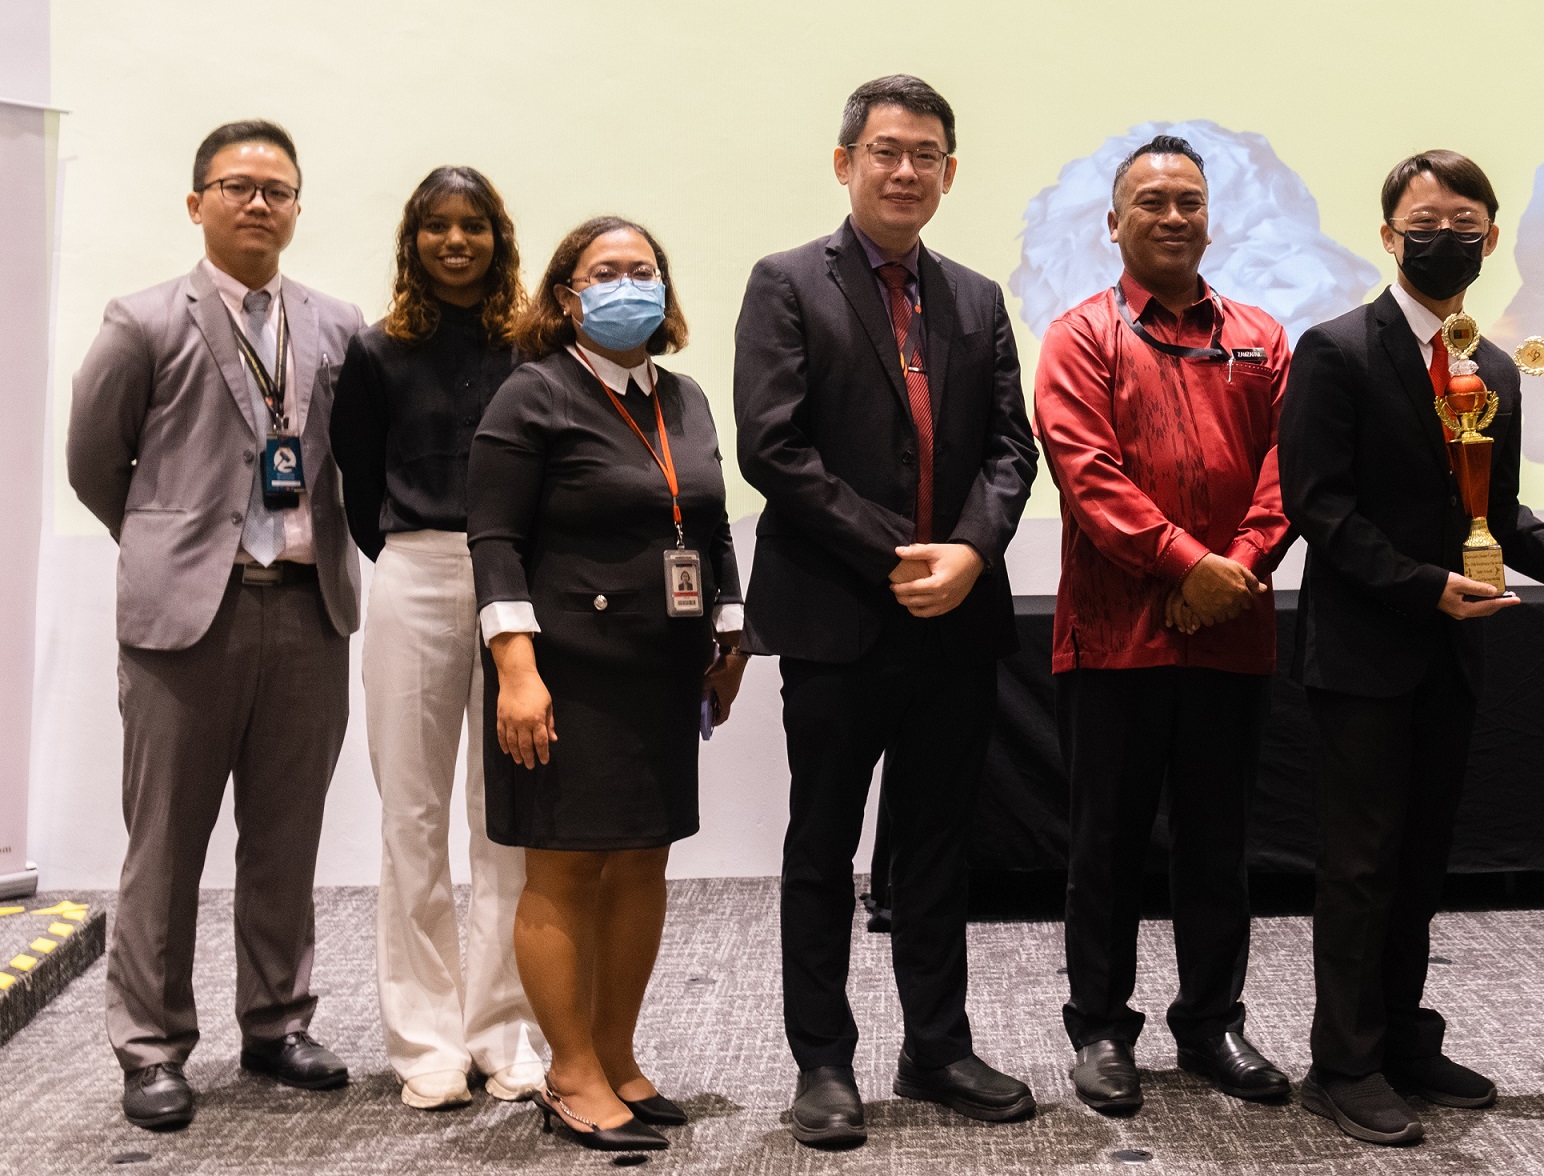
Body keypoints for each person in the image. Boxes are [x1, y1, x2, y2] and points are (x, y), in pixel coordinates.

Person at [1278, 149, 1544, 1147]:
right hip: (1365, 652)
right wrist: (1423, 588)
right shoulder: (1335, 349)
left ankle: (1404, 1036)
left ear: (1492, 237)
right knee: (1360, 865)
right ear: (1386, 235)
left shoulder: (1492, 365)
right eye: (1424, 220)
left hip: (1454, 654)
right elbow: (1320, 509)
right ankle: (1345, 1060)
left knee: (1421, 860)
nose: (1443, 235)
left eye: (1463, 221)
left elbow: (1498, 515)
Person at [734, 74, 1039, 1149]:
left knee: (939, 845)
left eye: (926, 155)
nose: (905, 171)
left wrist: (967, 550)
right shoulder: (786, 284)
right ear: (845, 162)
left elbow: (1012, 448)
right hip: (835, 617)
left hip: (958, 616)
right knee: (822, 845)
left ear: (950, 173)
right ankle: (823, 1062)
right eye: (886, 151)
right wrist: (898, 552)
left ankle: (938, 1046)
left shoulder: (977, 297)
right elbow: (773, 448)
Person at [67, 120, 365, 1130]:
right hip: (186, 624)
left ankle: (277, 1023)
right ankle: (150, 1047)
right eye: (236, 186)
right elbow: (94, 463)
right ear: (196, 202)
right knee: (166, 844)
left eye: (277, 189)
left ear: (296, 206)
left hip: (308, 616)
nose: (258, 203)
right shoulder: (142, 319)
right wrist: (167, 546)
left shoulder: (336, 325)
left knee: (285, 835)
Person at [467, 216, 748, 1153]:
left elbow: (709, 522)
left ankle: (618, 1057)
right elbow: (495, 541)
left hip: (663, 672)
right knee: (563, 865)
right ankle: (571, 1071)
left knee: (642, 860)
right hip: (562, 674)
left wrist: (732, 632)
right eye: (607, 272)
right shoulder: (531, 396)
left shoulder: (687, 397)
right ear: (567, 296)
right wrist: (515, 670)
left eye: (646, 271)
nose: (630, 284)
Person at [1032, 134, 1295, 1117]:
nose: (1173, 216)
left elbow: (1285, 470)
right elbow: (1088, 478)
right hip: (1115, 640)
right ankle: (1100, 1027)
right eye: (1152, 202)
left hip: (1232, 635)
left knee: (1219, 844)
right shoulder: (1079, 336)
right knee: (1105, 845)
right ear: (1114, 223)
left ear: (1209, 217)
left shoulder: (1263, 337)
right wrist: (1190, 563)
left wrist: (1242, 567)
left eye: (1189, 201)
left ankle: (1212, 1022)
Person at [327, 166, 544, 1110]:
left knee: (505, 823)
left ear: (500, 238)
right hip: (412, 570)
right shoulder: (375, 351)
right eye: (436, 228)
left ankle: (505, 1033)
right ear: (411, 241)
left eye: (475, 227)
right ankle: (426, 1041)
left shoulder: (535, 348)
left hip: (519, 585)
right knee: (411, 818)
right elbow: (355, 477)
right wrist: (416, 552)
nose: (456, 243)